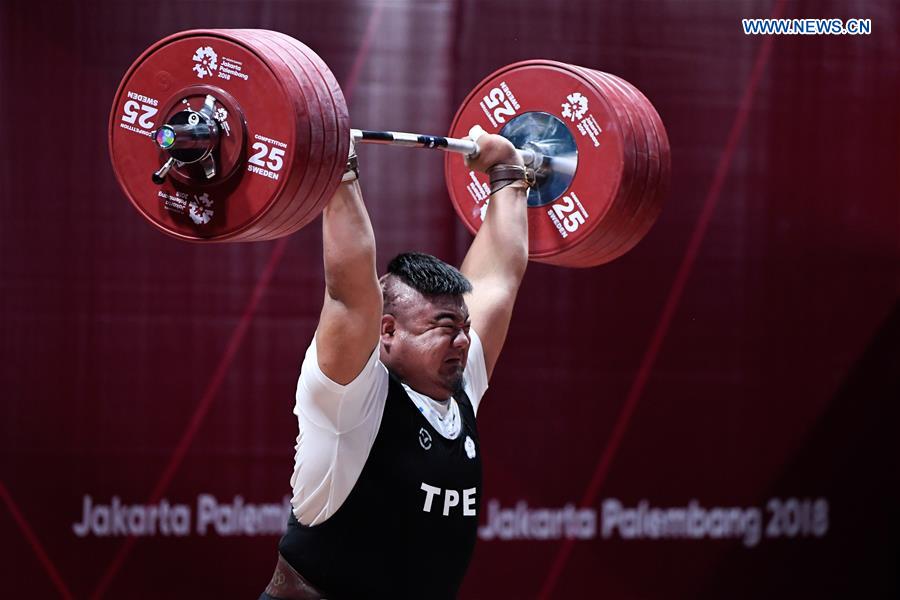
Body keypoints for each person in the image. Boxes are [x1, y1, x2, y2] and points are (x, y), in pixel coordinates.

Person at [261, 127, 531, 599]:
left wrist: (508, 174)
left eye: (465, 327)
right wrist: (337, 172)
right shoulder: (352, 399)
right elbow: (349, 292)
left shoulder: (456, 384)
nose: (465, 341)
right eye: (444, 327)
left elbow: (499, 278)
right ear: (387, 332)